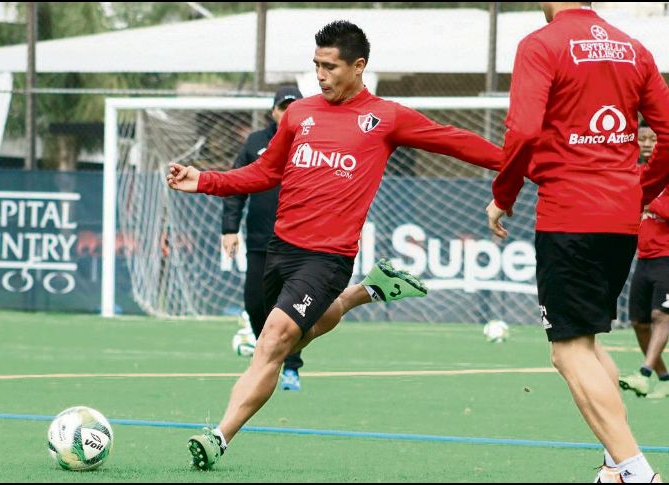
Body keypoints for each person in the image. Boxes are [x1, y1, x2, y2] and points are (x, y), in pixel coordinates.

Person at [169, 20, 503, 470]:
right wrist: (205, 180)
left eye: (330, 66)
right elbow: (266, 172)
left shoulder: (385, 117)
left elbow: (453, 141)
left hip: (327, 257)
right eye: (316, 65)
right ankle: (364, 292)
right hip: (280, 250)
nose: (321, 75)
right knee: (289, 340)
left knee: (273, 341)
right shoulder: (299, 114)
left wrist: (518, 164)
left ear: (358, 66)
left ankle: (218, 437)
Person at [486, 3, 669, 483]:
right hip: (621, 219)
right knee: (584, 343)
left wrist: (503, 195)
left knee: (567, 349)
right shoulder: (633, 47)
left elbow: (523, 130)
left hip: (569, 215)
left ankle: (638, 473)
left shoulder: (541, 44)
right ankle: (614, 469)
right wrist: (641, 190)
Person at [222, 86, 308, 391]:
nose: (288, 113)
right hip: (261, 240)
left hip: (301, 242)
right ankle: (268, 356)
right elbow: (236, 184)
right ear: (273, 111)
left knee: (292, 308)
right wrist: (229, 228)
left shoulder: (314, 141)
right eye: (283, 107)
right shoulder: (256, 142)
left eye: (294, 107)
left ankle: (291, 367)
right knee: (255, 303)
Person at [620, 120, 669, 399]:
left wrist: (650, 202)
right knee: (639, 323)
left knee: (661, 315)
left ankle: (644, 373)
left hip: (668, 258)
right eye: (643, 138)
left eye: (654, 138)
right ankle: (665, 378)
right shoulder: (634, 173)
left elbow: (649, 204)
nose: (648, 144)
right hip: (644, 258)